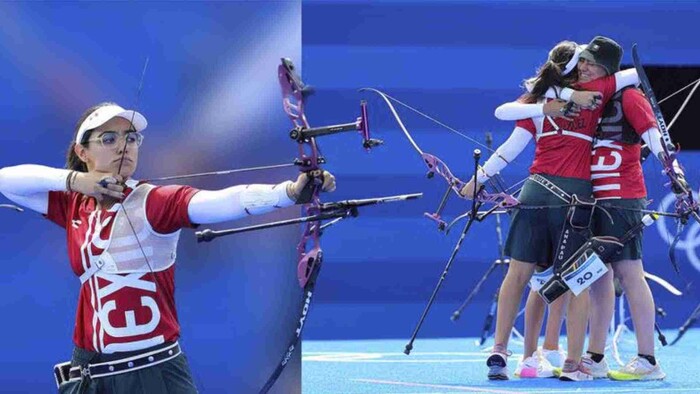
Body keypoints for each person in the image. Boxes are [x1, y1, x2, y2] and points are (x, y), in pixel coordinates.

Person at [0, 102, 336, 393]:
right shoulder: (74, 206)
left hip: (152, 373)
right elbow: (7, 180)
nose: (123, 146)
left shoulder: (153, 202)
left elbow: (220, 202)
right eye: (109, 138)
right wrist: (75, 181)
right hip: (90, 375)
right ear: (82, 152)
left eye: (131, 138)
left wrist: (288, 192)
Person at [461, 37, 638, 381]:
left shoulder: (543, 98)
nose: (586, 67)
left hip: (536, 191)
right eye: (582, 62)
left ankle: (501, 352)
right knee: (576, 281)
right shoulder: (591, 93)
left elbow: (509, 145)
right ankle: (573, 364)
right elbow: (632, 75)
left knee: (519, 275)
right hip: (575, 199)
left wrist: (479, 179)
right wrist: (567, 97)